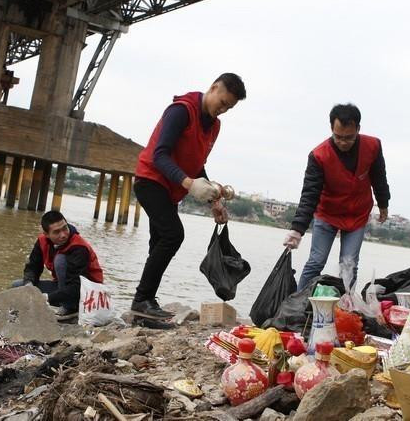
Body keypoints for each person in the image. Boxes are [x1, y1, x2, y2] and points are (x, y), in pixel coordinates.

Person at [131, 73, 247, 319]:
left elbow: (197, 165)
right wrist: (189, 184)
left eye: (229, 108)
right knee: (173, 235)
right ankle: (141, 300)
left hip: (170, 190)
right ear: (213, 88)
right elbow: (160, 155)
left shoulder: (214, 126)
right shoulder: (181, 111)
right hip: (150, 180)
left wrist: (214, 201)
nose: (223, 110)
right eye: (223, 103)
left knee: (159, 242)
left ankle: (145, 305)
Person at [284, 103, 390, 292]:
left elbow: (379, 177)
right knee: (316, 261)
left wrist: (383, 203)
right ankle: (297, 301)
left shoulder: (372, 146)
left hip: (357, 215)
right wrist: (297, 229)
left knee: (349, 264)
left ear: (358, 129)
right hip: (328, 213)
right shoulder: (319, 155)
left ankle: (345, 304)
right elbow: (309, 194)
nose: (342, 142)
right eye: (338, 137)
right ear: (331, 128)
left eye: (348, 138)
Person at [14, 210, 104, 321]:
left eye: (65, 228)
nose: (63, 235)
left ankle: (70, 308)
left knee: (60, 260)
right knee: (17, 286)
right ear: (46, 234)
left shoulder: (79, 247)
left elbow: (76, 286)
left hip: (87, 292)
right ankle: (60, 303)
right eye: (56, 232)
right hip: (65, 288)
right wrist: (29, 284)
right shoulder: (42, 241)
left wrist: (47, 298)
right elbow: (33, 266)